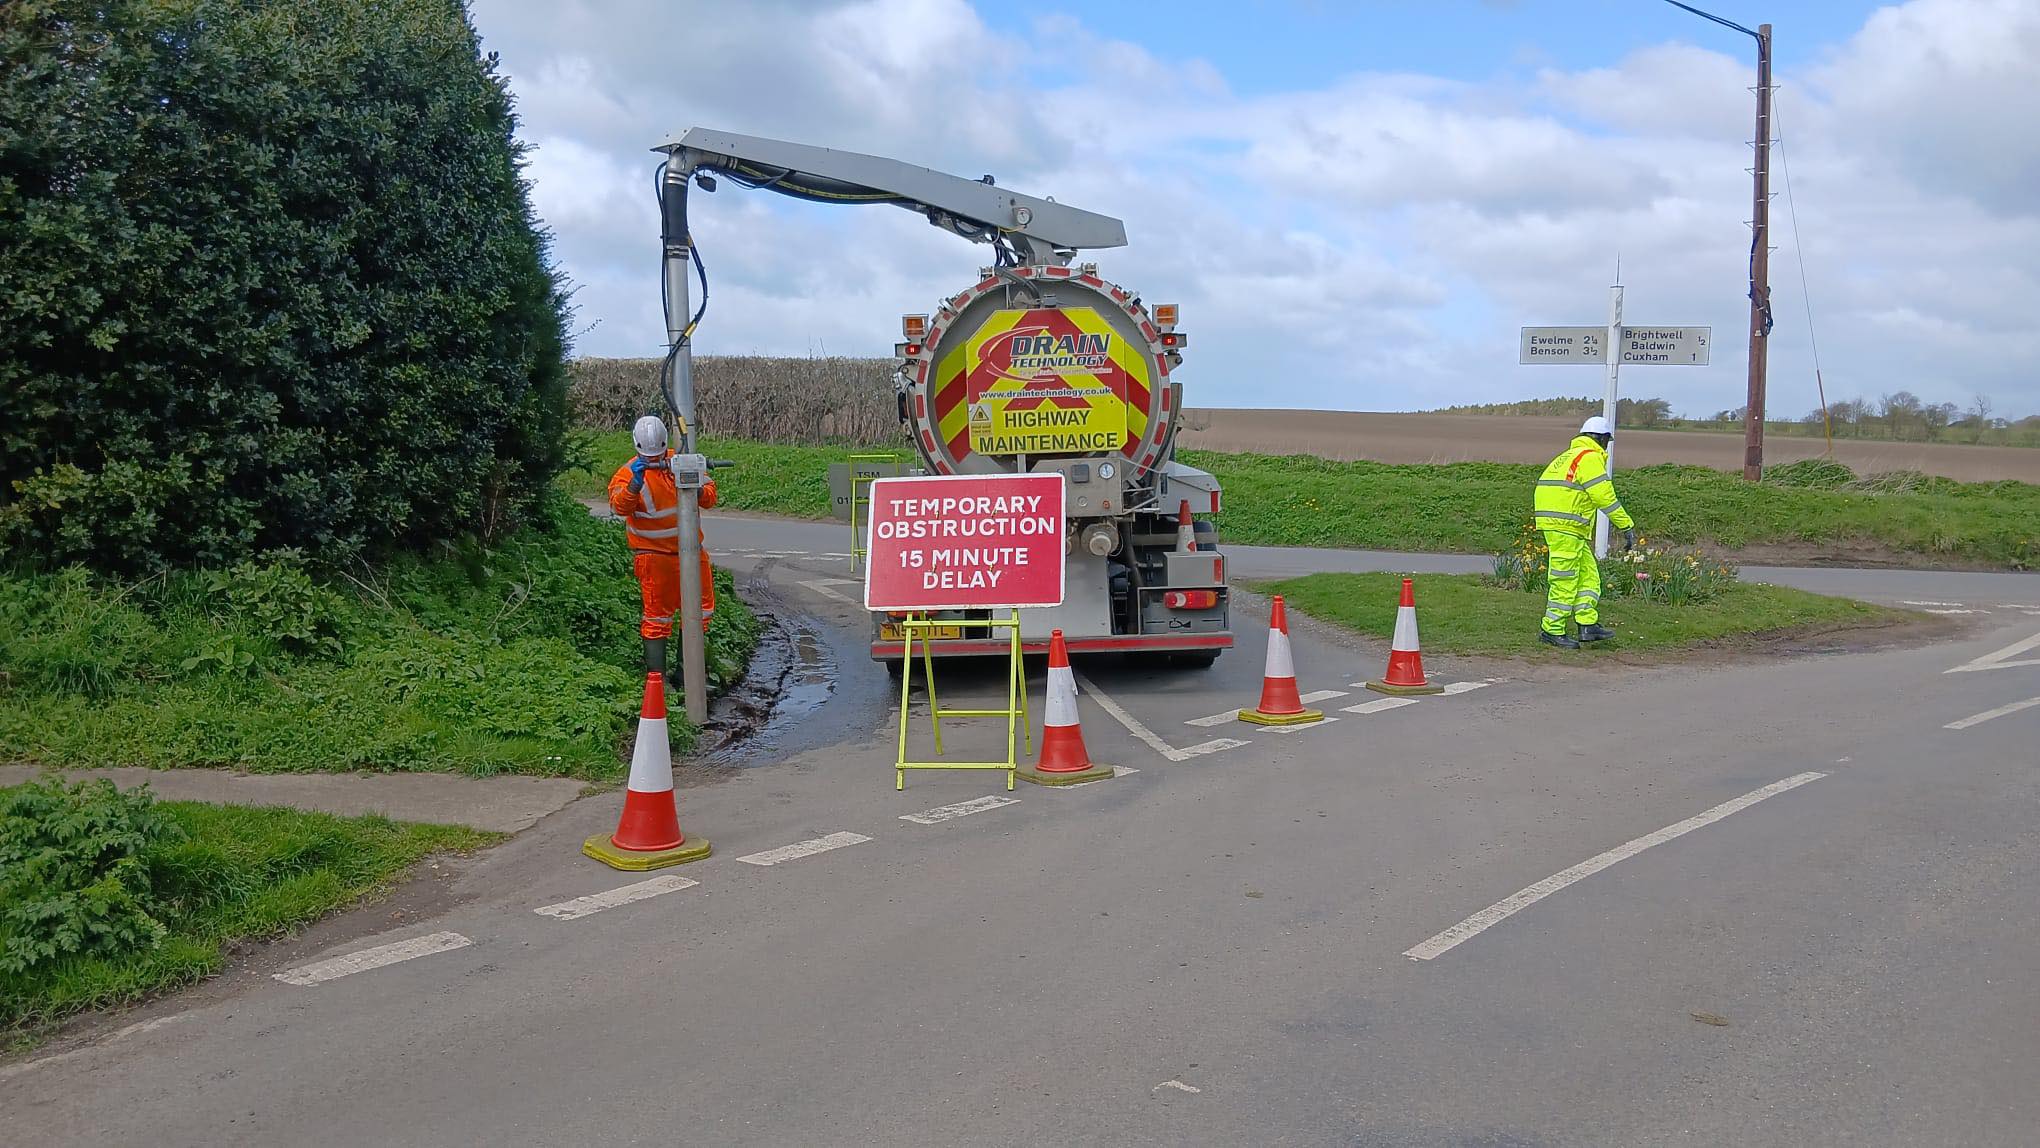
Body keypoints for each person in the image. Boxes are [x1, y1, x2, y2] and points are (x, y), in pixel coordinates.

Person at [607, 415, 716, 676]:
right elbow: (620, 507)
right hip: (654, 557)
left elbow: (710, 497)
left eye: (657, 455)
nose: (654, 460)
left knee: (700, 611)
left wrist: (695, 485)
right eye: (649, 457)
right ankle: (658, 680)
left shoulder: (681, 461)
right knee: (657, 617)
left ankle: (689, 673)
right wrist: (634, 486)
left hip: (691, 551)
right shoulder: (627, 474)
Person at [1532, 415, 1636, 649]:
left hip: (1563, 525)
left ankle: (1587, 624)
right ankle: (1552, 629)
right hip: (1566, 526)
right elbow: (1604, 496)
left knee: (1588, 576)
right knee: (1565, 579)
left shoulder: (1568, 456)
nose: (1607, 446)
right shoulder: (1589, 457)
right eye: (1607, 441)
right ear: (1601, 438)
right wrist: (1626, 525)